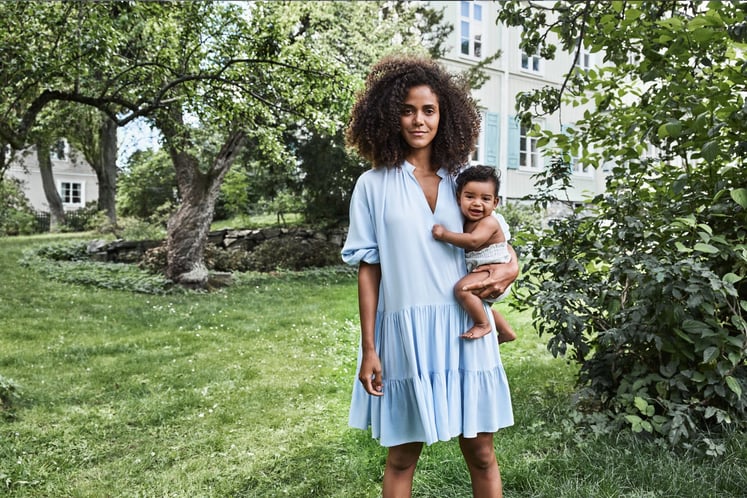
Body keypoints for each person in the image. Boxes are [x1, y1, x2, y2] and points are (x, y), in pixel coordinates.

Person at [342, 54, 518, 498]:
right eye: (406, 109)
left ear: (446, 115)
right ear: (387, 115)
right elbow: (369, 268)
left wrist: (512, 265)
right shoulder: (372, 185)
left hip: (465, 328)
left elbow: (498, 239)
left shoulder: (465, 178)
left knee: (482, 453)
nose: (418, 120)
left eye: (429, 110)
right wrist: (369, 349)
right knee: (401, 457)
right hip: (404, 334)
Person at [432, 165, 518, 343]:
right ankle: (505, 331)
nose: (477, 203)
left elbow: (472, 241)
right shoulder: (465, 219)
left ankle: (483, 325)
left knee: (462, 291)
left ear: (495, 203)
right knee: (480, 304)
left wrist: (444, 235)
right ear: (458, 198)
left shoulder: (489, 222)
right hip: (482, 268)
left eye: (485, 199)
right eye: (470, 197)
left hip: (493, 270)